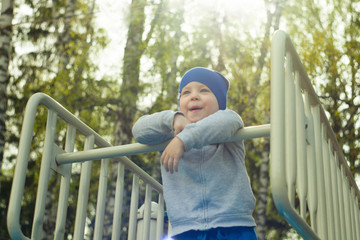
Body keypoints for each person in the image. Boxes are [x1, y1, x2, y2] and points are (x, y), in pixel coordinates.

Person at [132, 67, 257, 240]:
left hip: (232, 226)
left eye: (204, 90)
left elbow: (228, 120)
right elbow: (139, 130)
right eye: (186, 92)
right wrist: (173, 118)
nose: (194, 96)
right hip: (185, 229)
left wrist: (184, 140)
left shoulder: (228, 125)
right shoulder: (171, 134)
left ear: (220, 102)